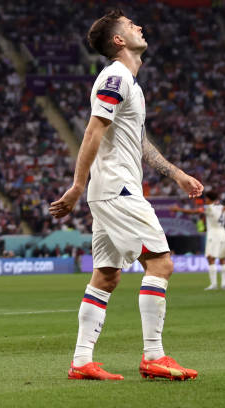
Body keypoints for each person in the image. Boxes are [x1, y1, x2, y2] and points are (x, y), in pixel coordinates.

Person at [49, 9, 202, 381]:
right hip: (117, 189)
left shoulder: (129, 84)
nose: (140, 27)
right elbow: (92, 130)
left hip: (110, 191)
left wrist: (176, 173)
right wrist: (77, 185)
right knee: (161, 264)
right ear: (118, 40)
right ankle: (154, 356)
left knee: (105, 276)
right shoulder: (116, 77)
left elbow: (139, 142)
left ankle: (82, 361)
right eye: (132, 25)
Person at [171, 191, 225, 290]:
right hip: (223, 232)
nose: (205, 200)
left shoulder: (209, 208)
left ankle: (214, 284)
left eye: (206, 199)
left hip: (214, 233)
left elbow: (194, 212)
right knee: (222, 258)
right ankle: (223, 284)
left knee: (211, 258)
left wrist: (178, 209)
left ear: (210, 199)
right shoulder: (221, 207)